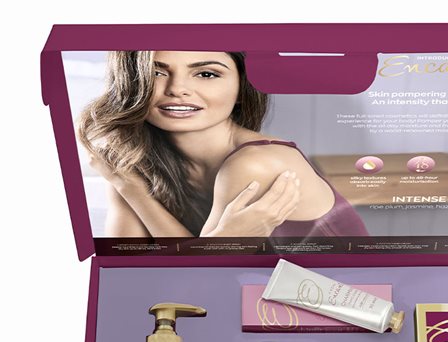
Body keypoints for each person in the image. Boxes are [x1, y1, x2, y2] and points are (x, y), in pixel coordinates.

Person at [79, 50, 369, 239]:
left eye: (207, 74)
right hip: (252, 302)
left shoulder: (256, 163)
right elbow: (131, 268)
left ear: (242, 88)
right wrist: (128, 187)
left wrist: (133, 192)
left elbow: (203, 279)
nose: (177, 89)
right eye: (156, 72)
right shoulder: (133, 162)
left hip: (345, 302)